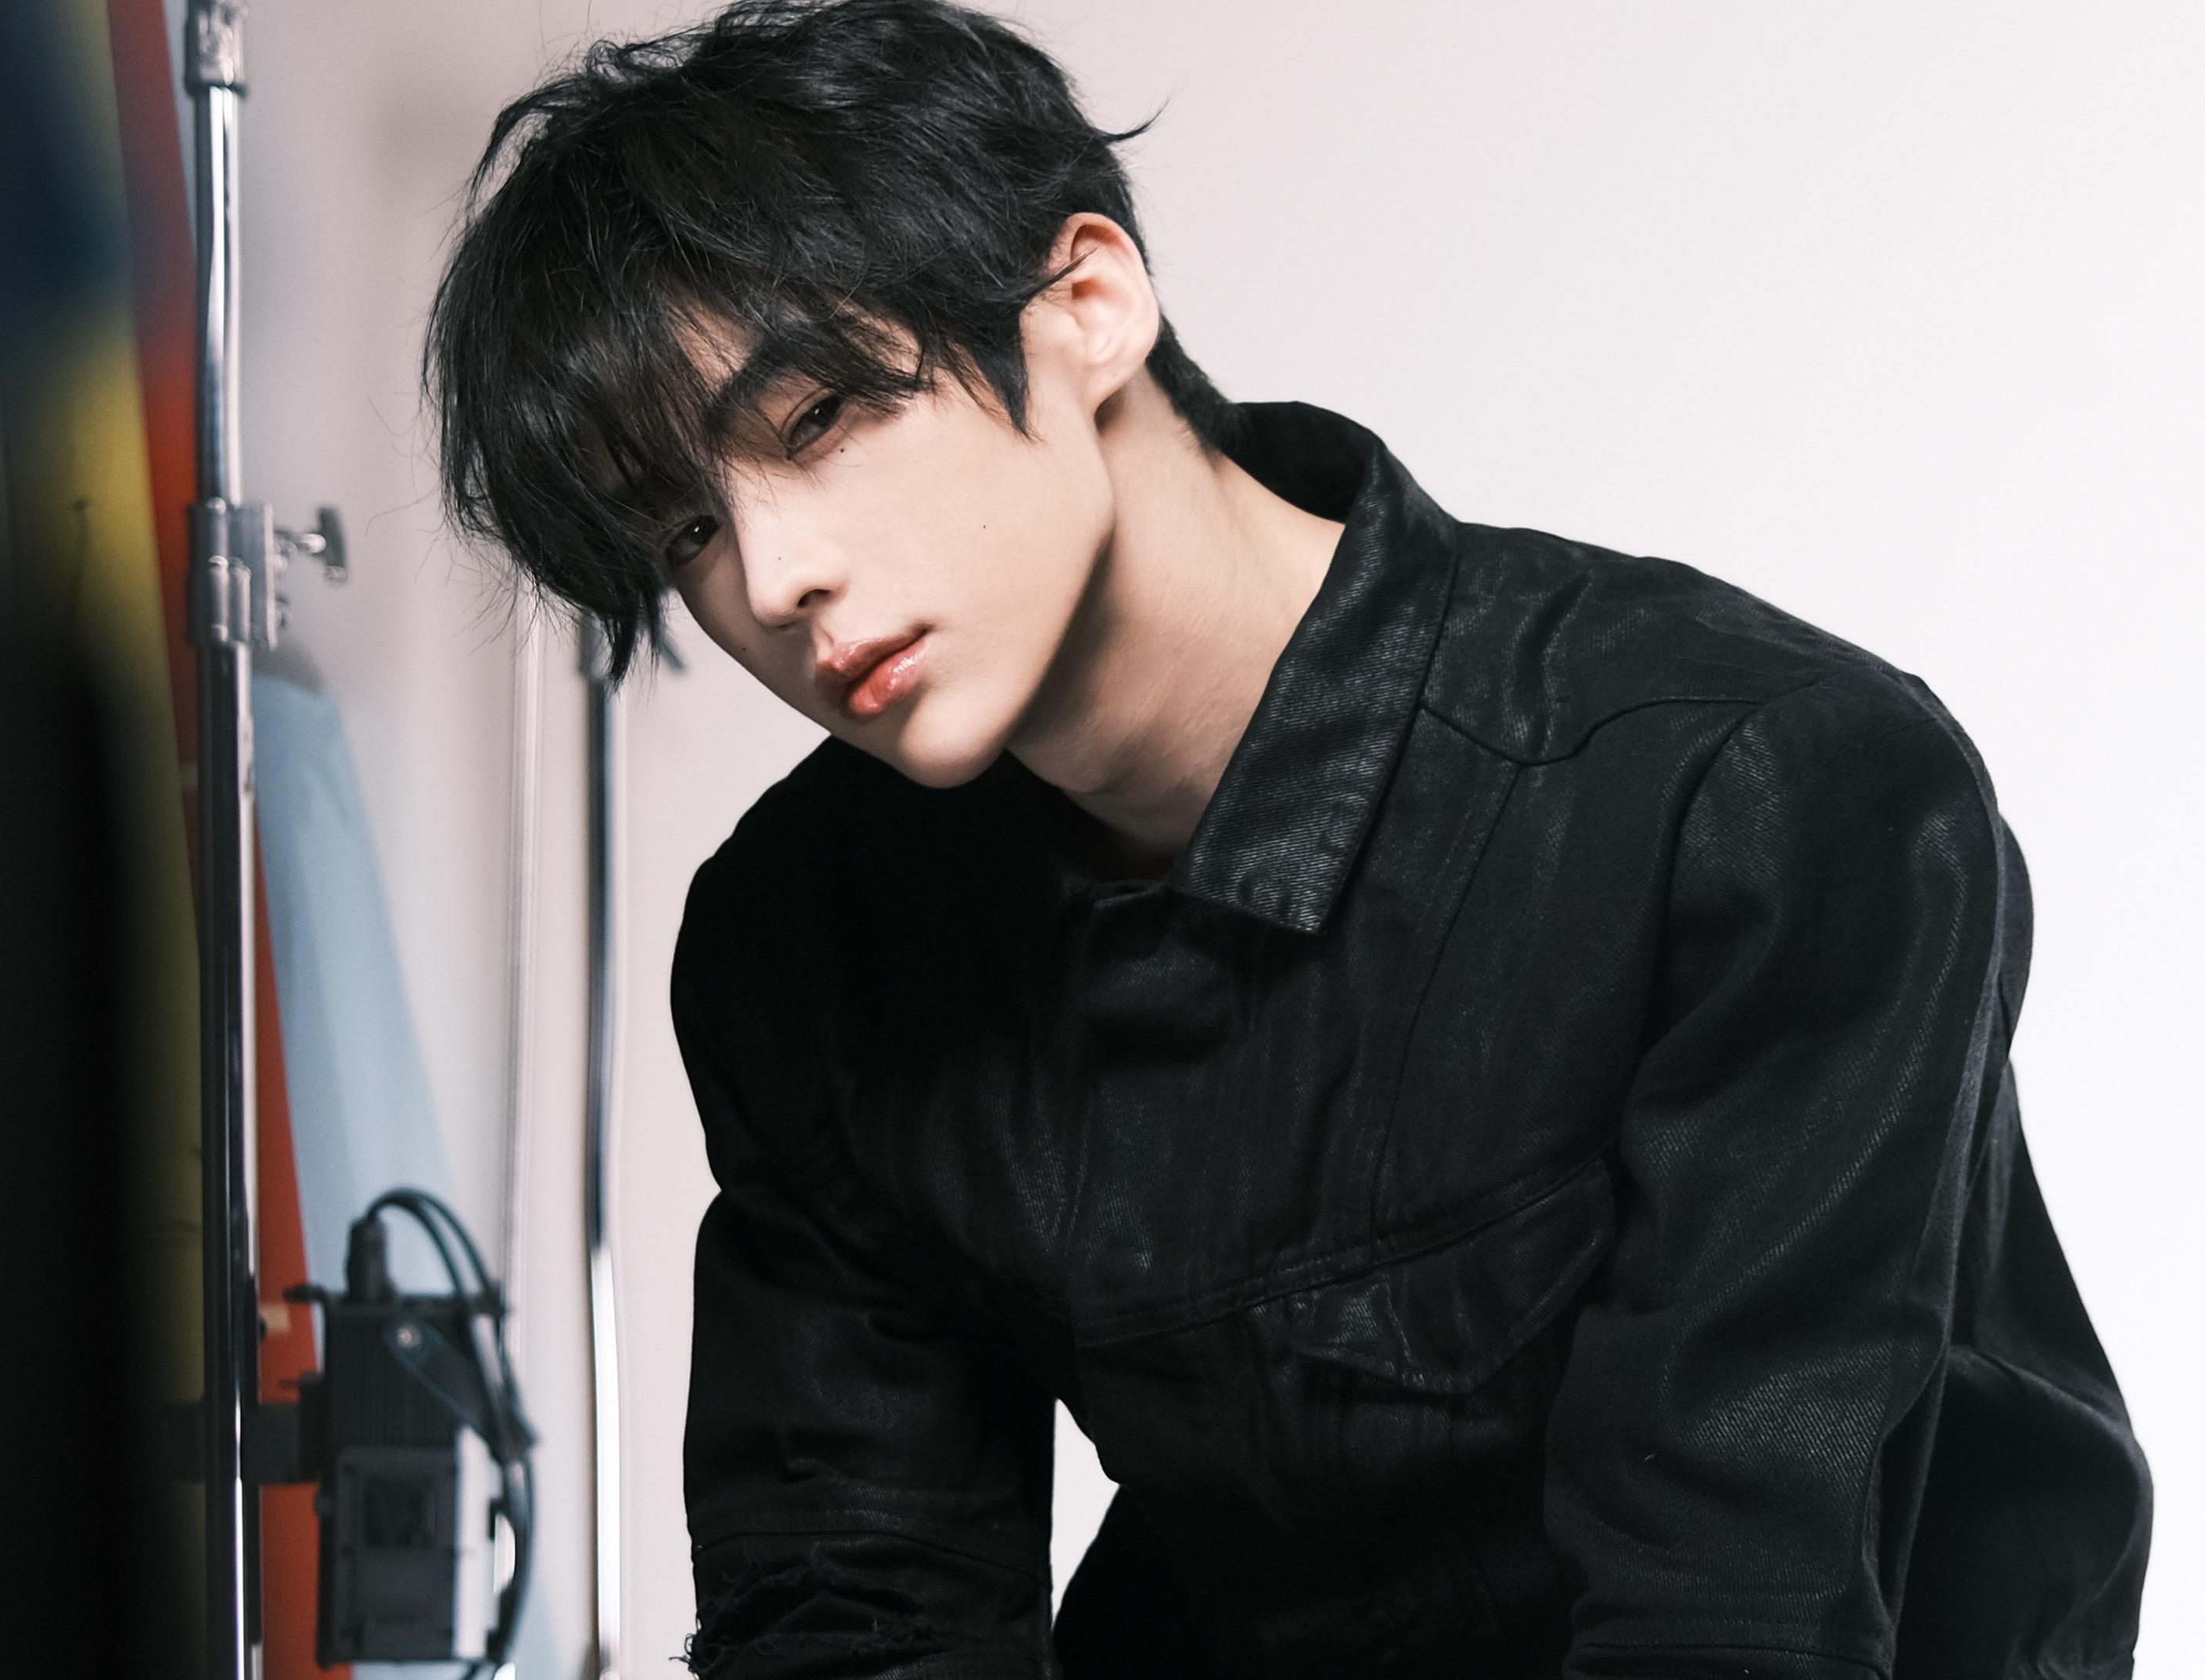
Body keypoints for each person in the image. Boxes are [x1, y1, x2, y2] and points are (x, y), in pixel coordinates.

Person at [424, 2, 2151, 1673]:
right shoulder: (805, 942)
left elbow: (1739, 1611)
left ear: (1087, 304)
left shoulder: (1754, 787)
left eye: (817, 418)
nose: (770, 576)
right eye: (683, 531)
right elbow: (855, 1607)